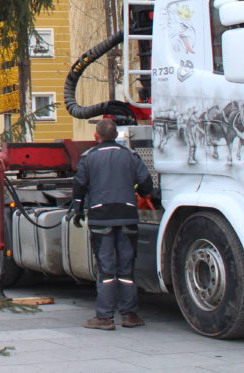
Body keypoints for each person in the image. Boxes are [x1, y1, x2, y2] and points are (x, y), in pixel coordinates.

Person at [72, 120, 153, 330]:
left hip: (101, 217)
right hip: (127, 216)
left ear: (96, 135)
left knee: (106, 268)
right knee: (126, 267)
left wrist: (78, 209)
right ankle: (130, 315)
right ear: (116, 135)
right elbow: (146, 183)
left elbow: (79, 185)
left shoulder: (88, 157)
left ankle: (104, 317)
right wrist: (142, 193)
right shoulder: (130, 155)